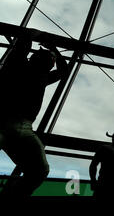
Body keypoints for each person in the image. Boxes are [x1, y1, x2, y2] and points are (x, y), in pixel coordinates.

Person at [0, 29, 68, 196]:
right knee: (39, 171)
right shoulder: (35, 73)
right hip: (20, 126)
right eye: (50, 59)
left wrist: (32, 36)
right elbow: (63, 71)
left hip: (12, 123)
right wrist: (53, 48)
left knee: (39, 170)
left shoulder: (24, 68)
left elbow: (22, 45)